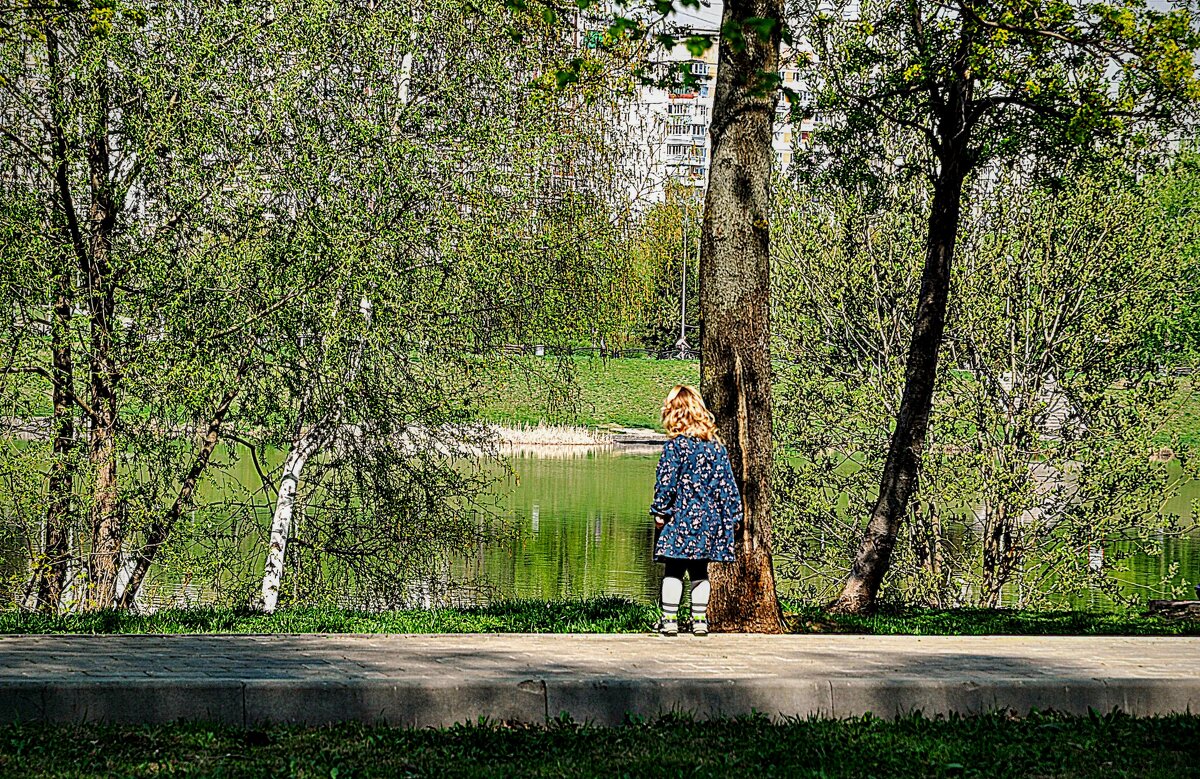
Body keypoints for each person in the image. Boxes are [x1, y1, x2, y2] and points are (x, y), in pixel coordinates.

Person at [649, 384, 742, 636]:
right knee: (701, 570)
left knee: (674, 570)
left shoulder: (676, 447)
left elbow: (666, 483)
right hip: (709, 521)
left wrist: (660, 511)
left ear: (674, 414)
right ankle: (700, 620)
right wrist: (734, 515)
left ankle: (670, 620)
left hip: (679, 518)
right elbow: (728, 485)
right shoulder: (716, 448)